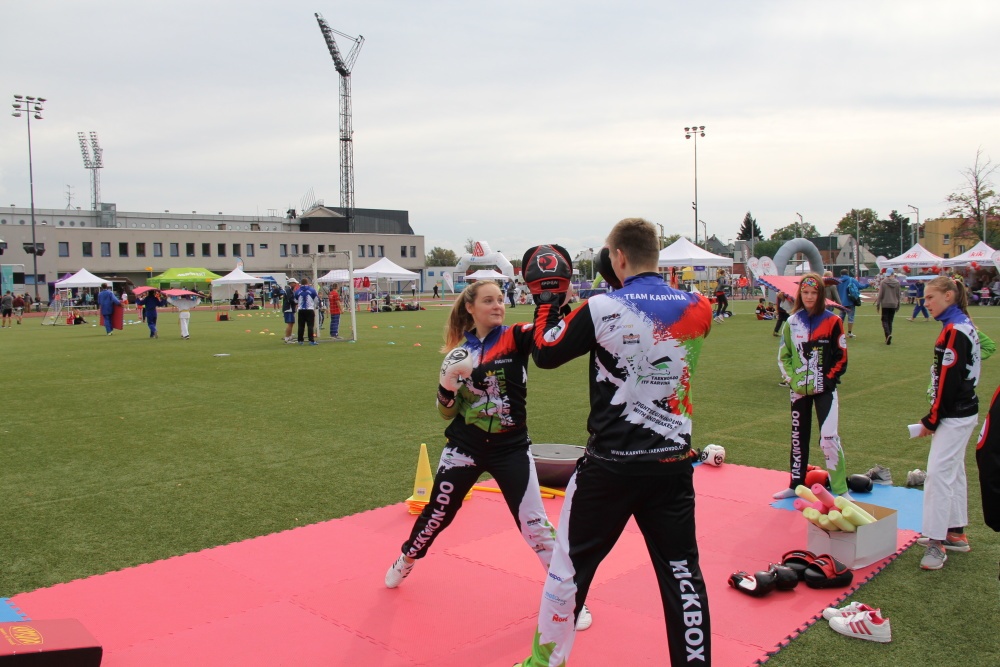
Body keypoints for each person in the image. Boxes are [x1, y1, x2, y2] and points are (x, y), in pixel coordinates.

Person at [516, 219, 712, 667]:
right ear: (655, 253)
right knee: (683, 575)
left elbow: (545, 352)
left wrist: (547, 301)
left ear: (617, 256)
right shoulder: (698, 306)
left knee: (568, 571)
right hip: (672, 463)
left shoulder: (601, 306)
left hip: (610, 466)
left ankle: (543, 663)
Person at [383, 281, 589, 623]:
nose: (497, 306)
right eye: (489, 300)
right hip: (465, 448)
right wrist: (446, 388)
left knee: (536, 526)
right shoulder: (458, 355)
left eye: (500, 300)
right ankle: (406, 559)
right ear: (471, 308)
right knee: (436, 515)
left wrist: (557, 303)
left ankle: (571, 599)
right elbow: (446, 413)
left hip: (511, 448)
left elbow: (550, 339)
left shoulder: (517, 336)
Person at [912, 275, 981, 570]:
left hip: (956, 413)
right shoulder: (959, 324)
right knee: (954, 471)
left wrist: (932, 419)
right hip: (961, 411)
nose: (926, 303)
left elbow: (949, 382)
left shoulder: (955, 330)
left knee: (938, 476)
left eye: (930, 297)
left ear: (948, 296)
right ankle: (955, 532)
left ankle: (937, 542)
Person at [774, 273, 850, 500]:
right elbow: (784, 355)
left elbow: (841, 357)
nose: (809, 297)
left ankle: (841, 490)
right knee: (798, 438)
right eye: (805, 293)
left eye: (814, 293)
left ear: (821, 294)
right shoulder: (791, 322)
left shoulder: (833, 321)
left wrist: (827, 380)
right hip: (798, 391)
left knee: (829, 438)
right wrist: (792, 380)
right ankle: (795, 485)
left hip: (825, 390)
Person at [875, 267, 902, 345]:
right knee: (890, 321)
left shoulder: (883, 282)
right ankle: (888, 336)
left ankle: (888, 334)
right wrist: (898, 304)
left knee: (884, 320)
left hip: (885, 303)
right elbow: (898, 294)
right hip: (893, 303)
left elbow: (880, 294)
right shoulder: (897, 283)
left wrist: (878, 304)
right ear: (893, 274)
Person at [835, 269, 861, 338]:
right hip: (850, 301)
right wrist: (868, 285)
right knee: (851, 317)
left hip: (841, 302)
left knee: (841, 317)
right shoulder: (851, 279)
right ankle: (849, 333)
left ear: (841, 274)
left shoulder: (838, 281)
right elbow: (860, 286)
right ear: (847, 273)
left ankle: (838, 332)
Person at [295, 277, 318, 345]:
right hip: (309, 310)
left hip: (301, 310)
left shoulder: (297, 291)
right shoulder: (312, 290)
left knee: (301, 326)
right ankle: (311, 340)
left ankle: (300, 340)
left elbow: (295, 300)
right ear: (307, 283)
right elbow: (316, 300)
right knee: (310, 326)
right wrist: (316, 306)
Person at [282, 278, 298, 343]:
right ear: (291, 283)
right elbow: (290, 299)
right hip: (289, 309)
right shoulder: (288, 290)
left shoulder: (291, 290)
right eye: (294, 283)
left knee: (291, 323)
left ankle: (289, 337)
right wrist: (296, 302)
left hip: (291, 309)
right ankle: (287, 338)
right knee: (290, 323)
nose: (295, 284)